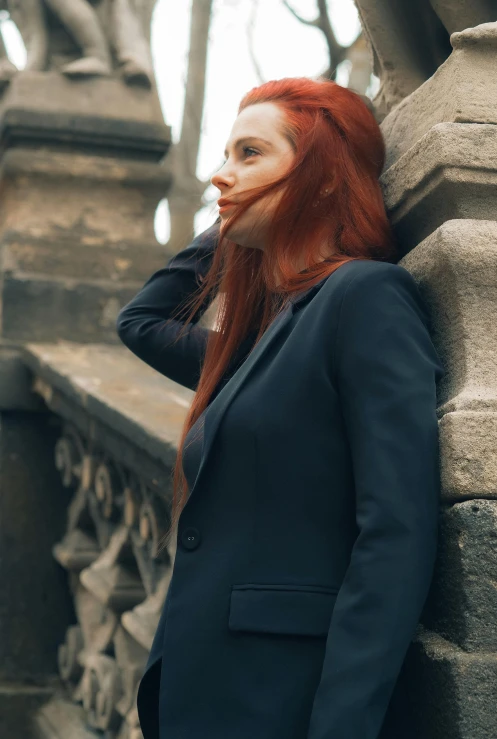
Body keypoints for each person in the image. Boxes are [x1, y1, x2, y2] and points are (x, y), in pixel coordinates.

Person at [116, 76, 445, 739]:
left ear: (324, 175)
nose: (218, 175)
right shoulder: (257, 342)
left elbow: (395, 533)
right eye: (224, 156)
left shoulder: (364, 298)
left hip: (283, 702)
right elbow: (141, 321)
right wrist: (235, 217)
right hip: (200, 693)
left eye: (248, 153)